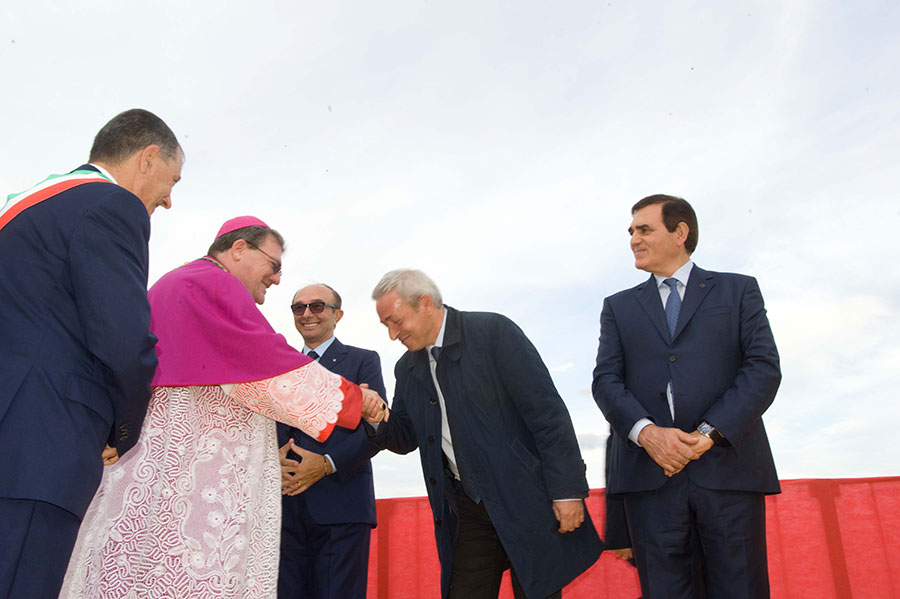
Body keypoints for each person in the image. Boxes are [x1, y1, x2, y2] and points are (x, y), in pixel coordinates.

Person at [60, 217, 386, 599]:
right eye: (274, 265)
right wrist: (354, 400)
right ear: (239, 250)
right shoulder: (213, 285)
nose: (277, 279)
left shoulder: (176, 282)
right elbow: (268, 365)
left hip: (163, 458)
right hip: (196, 468)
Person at [0, 108, 183, 599]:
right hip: (41, 442)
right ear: (147, 158)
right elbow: (123, 338)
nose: (168, 200)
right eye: (171, 181)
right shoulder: (111, 206)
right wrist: (122, 428)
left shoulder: (26, 208)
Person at [368, 269, 602, 599]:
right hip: (467, 510)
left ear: (424, 303)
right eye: (386, 326)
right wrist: (374, 415)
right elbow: (405, 437)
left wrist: (567, 491)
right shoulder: (406, 368)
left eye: (396, 321)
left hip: (526, 503)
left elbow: (547, 415)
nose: (392, 334)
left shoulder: (494, 333)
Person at [592, 194, 781, 598]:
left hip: (729, 474)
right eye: (631, 232)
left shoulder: (739, 291)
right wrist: (648, 434)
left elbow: (763, 369)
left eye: (644, 229)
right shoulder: (618, 307)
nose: (633, 240)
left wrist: (708, 434)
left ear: (680, 232)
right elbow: (606, 381)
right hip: (650, 480)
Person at [278, 284, 385, 599]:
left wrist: (326, 465)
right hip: (284, 510)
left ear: (337, 314)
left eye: (317, 306)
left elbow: (377, 431)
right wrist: (273, 460)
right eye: (299, 308)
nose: (307, 314)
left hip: (342, 507)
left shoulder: (364, 361)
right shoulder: (277, 367)